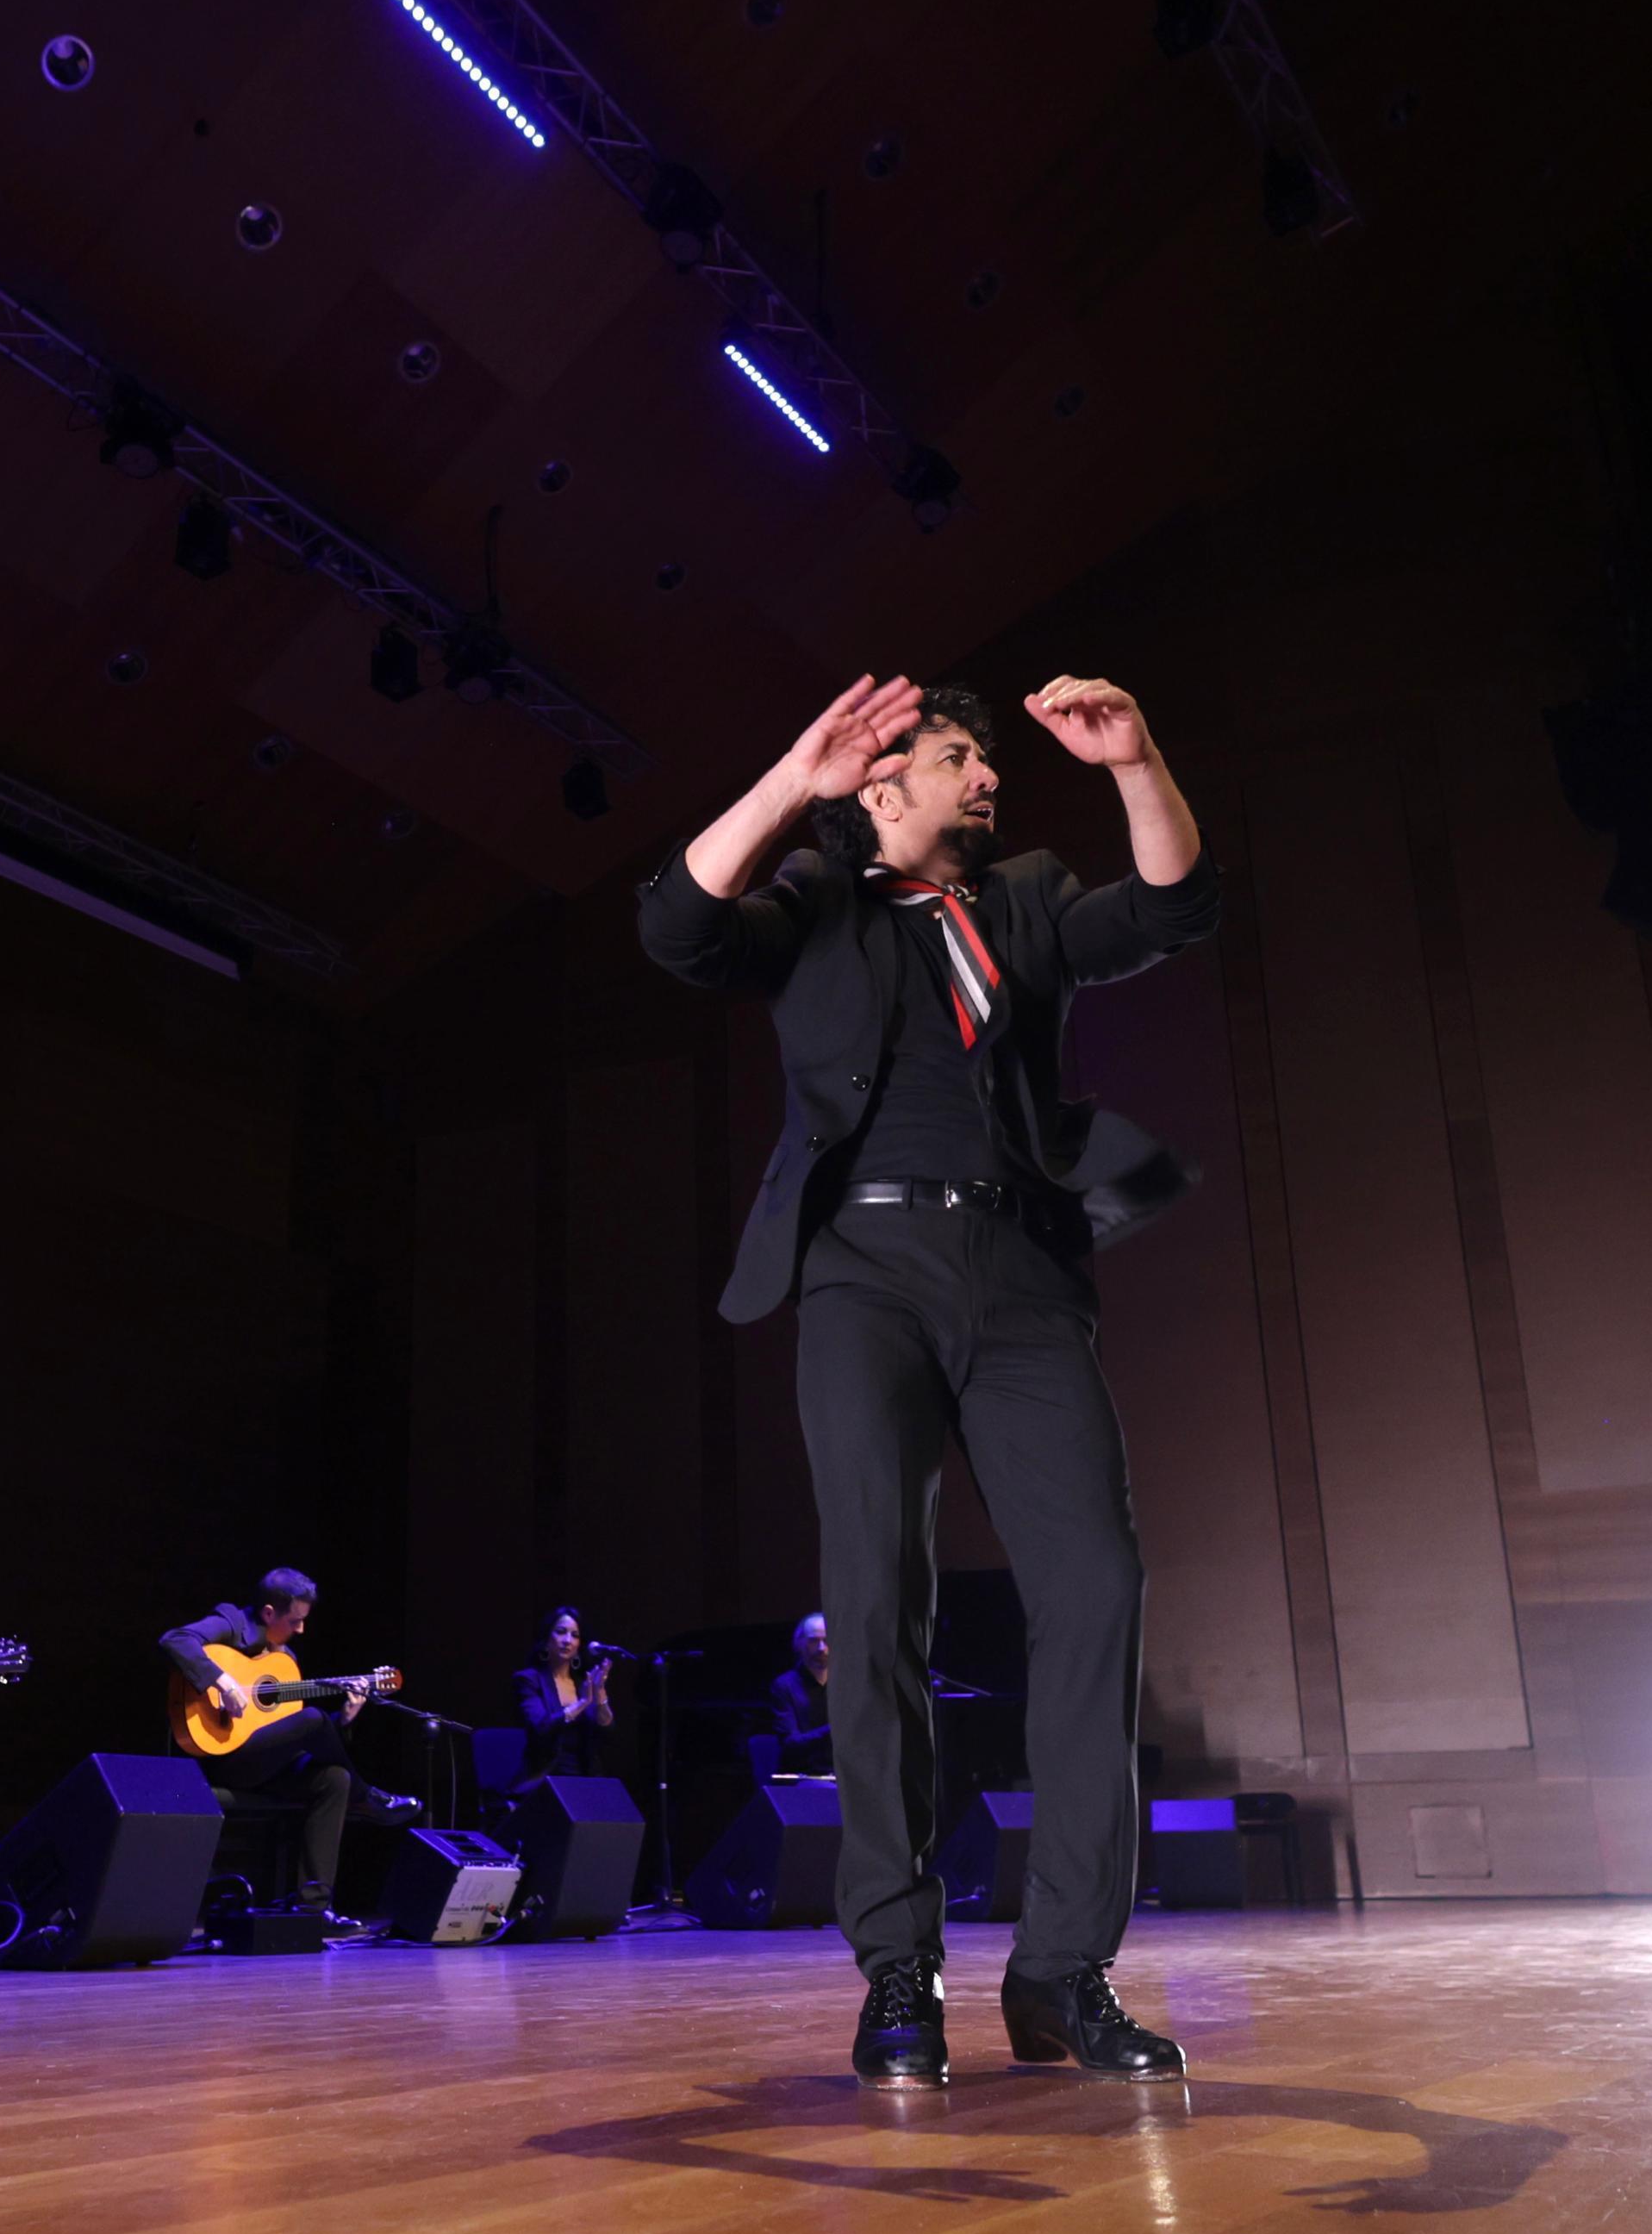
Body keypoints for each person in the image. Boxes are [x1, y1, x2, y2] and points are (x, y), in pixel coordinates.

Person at [639, 671, 1215, 2087]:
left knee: (1098, 1587)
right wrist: (794, 780)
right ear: (886, 782)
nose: (991, 774)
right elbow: (677, 925)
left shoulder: (1025, 898)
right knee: (877, 1603)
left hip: (1020, 1277)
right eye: (962, 754)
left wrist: (1137, 761)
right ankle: (899, 1966)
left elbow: (1168, 907)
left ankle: (1064, 1970)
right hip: (864, 1273)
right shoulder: (816, 904)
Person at [160, 1569, 413, 1912]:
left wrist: (344, 1719)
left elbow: (286, 1733)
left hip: (264, 1766)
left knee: (335, 1779)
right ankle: (366, 1797)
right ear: (268, 1613)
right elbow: (175, 1639)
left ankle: (313, 1909)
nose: (301, 1629)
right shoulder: (232, 1622)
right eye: (295, 1621)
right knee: (312, 1718)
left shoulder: (284, 1661)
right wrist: (222, 1681)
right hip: (222, 1760)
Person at [512, 1607, 620, 1782]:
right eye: (561, 1632)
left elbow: (608, 1733)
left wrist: (600, 1694)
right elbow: (541, 1729)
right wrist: (582, 1703)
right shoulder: (529, 1680)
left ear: (579, 1646)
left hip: (587, 1778)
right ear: (547, 1639)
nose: (568, 1641)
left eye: (575, 1635)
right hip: (545, 1779)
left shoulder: (583, 1683)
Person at [751, 1613, 832, 1782]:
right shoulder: (785, 1686)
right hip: (804, 1776)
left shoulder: (848, 1683)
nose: (821, 1648)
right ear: (799, 1644)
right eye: (813, 1641)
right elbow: (790, 1744)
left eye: (827, 1640)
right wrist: (834, 1730)